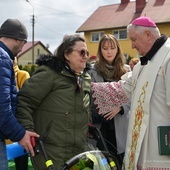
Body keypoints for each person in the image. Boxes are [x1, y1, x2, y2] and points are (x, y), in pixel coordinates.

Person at [91, 16, 170, 169]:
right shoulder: (142, 65)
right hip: (140, 145)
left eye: (134, 39)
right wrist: (85, 84)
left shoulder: (168, 58)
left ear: (147, 34)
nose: (132, 46)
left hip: (161, 144)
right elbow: (121, 89)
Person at [16, 34, 92, 169]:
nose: (85, 56)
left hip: (79, 150)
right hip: (50, 151)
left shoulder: (86, 78)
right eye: (81, 52)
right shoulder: (49, 74)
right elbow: (24, 101)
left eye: (87, 52)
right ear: (67, 54)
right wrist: (27, 129)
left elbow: (86, 109)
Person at [0, 18, 39, 170]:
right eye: (24, 42)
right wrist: (20, 134)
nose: (23, 48)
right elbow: (2, 107)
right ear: (18, 39)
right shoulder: (3, 58)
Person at [88, 34, 130, 167]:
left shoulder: (127, 70)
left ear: (117, 49)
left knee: (120, 162)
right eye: (105, 48)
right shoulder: (92, 71)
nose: (109, 51)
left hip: (121, 123)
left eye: (112, 47)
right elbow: (88, 97)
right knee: (102, 163)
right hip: (100, 125)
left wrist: (120, 107)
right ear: (100, 50)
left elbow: (133, 96)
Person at [13, 56, 30, 170]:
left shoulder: (22, 75)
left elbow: (27, 101)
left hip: (18, 129)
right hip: (6, 128)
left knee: (21, 164)